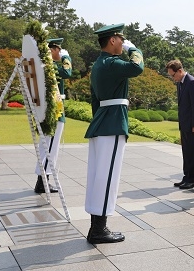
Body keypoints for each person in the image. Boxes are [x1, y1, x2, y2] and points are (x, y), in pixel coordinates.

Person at [84, 24, 144, 244]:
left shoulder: (99, 65)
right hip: (112, 124)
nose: (123, 42)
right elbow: (137, 68)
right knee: (107, 177)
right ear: (112, 41)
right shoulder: (112, 63)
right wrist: (134, 49)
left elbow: (94, 100)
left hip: (102, 122)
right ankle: (99, 230)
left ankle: (96, 228)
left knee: (99, 176)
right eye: (121, 39)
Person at [34, 38, 72, 194]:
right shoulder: (49, 67)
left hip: (49, 109)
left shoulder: (43, 66)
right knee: (50, 147)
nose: (60, 52)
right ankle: (43, 182)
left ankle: (42, 181)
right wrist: (66, 58)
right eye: (59, 49)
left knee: (47, 147)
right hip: (54, 111)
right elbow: (67, 72)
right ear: (51, 50)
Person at [166, 59, 194, 189]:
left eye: (173, 75)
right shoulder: (180, 83)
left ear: (180, 71)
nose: (172, 78)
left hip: (192, 125)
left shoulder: (191, 82)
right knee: (186, 152)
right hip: (184, 124)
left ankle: (192, 179)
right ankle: (186, 177)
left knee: (192, 152)